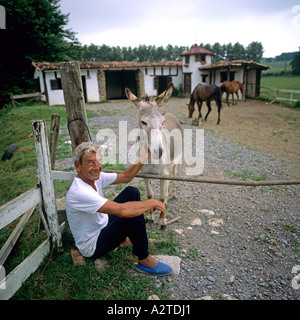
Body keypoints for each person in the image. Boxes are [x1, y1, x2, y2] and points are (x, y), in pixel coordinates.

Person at [66, 141, 172, 276]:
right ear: (78, 166)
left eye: (98, 161)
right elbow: (123, 211)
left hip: (103, 225)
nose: (97, 167)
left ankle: (124, 239)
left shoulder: (95, 177)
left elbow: (126, 177)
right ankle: (144, 260)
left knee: (132, 192)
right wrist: (152, 203)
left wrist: (144, 157)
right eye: (90, 163)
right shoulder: (79, 191)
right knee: (132, 212)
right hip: (92, 245)